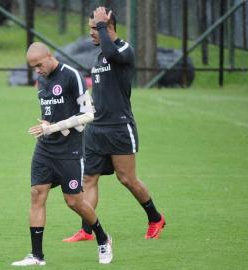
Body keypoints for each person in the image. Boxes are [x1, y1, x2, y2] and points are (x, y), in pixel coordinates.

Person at [63, 7, 166, 243]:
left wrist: (102, 26)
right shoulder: (100, 56)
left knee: (127, 179)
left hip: (119, 127)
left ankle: (155, 217)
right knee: (88, 179)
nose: (91, 33)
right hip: (96, 129)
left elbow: (112, 52)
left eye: (95, 28)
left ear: (108, 27)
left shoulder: (123, 50)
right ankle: (87, 231)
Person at [12, 42, 112, 266]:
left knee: (74, 201)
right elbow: (51, 113)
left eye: (39, 65)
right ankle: (37, 256)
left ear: (49, 57)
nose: (37, 70)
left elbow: (88, 115)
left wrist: (54, 127)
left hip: (70, 150)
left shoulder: (71, 76)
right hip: (45, 148)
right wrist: (46, 124)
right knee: (37, 193)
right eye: (33, 67)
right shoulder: (42, 79)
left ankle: (103, 238)